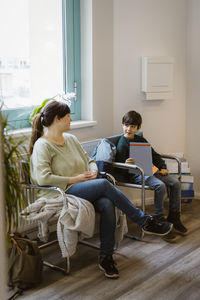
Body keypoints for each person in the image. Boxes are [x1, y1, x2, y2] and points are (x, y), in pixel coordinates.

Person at [29, 100, 172, 279]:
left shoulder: (71, 140)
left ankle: (106, 256)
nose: (70, 120)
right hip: (60, 191)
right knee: (105, 185)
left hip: (82, 186)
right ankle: (144, 221)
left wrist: (94, 171)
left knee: (106, 203)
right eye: (68, 117)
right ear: (57, 119)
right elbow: (43, 178)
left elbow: (89, 160)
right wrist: (77, 178)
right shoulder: (43, 145)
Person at [115, 110, 187, 240]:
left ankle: (174, 217)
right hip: (135, 174)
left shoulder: (140, 139)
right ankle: (159, 221)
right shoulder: (122, 144)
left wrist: (162, 167)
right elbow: (119, 167)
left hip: (150, 170)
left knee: (175, 183)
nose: (128, 129)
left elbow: (154, 155)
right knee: (160, 186)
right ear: (122, 125)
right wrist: (126, 164)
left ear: (138, 128)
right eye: (126, 125)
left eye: (132, 126)